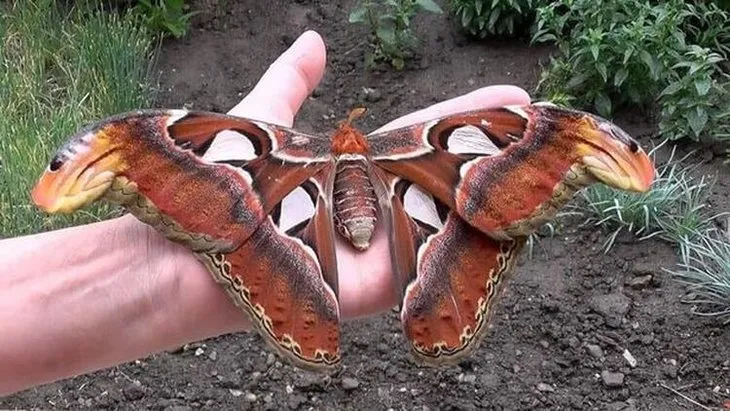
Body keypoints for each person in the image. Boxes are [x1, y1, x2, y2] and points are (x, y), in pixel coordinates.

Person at [0, 30, 530, 395]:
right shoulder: (404, 144)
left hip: (294, 199)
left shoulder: (281, 149)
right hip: (332, 208)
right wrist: (118, 153)